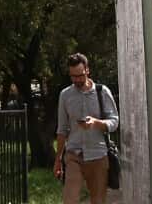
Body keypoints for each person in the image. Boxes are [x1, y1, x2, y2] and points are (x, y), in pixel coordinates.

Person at [54, 53, 119, 204]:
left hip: (98, 155)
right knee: (70, 200)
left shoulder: (102, 92)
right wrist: (58, 159)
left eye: (80, 75)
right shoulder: (65, 95)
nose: (76, 80)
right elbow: (62, 129)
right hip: (74, 155)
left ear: (87, 70)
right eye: (73, 76)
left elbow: (114, 122)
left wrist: (96, 123)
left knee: (98, 200)